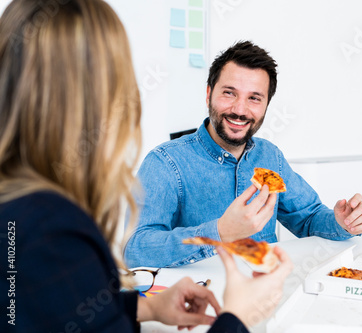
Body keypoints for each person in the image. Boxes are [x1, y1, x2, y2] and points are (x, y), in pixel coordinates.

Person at [0, 1, 292, 332]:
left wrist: (144, 306)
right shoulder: (54, 230)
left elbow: (51, 305)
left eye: (255, 97)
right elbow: (133, 250)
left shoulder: (28, 213)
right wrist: (238, 317)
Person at [124, 41, 362, 268]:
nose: (240, 110)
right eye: (229, 93)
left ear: (266, 105)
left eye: (254, 98)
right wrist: (219, 232)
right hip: (200, 301)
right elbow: (135, 248)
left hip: (267, 291)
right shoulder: (165, 163)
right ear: (209, 94)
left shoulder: (270, 157)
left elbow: (308, 218)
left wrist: (342, 224)